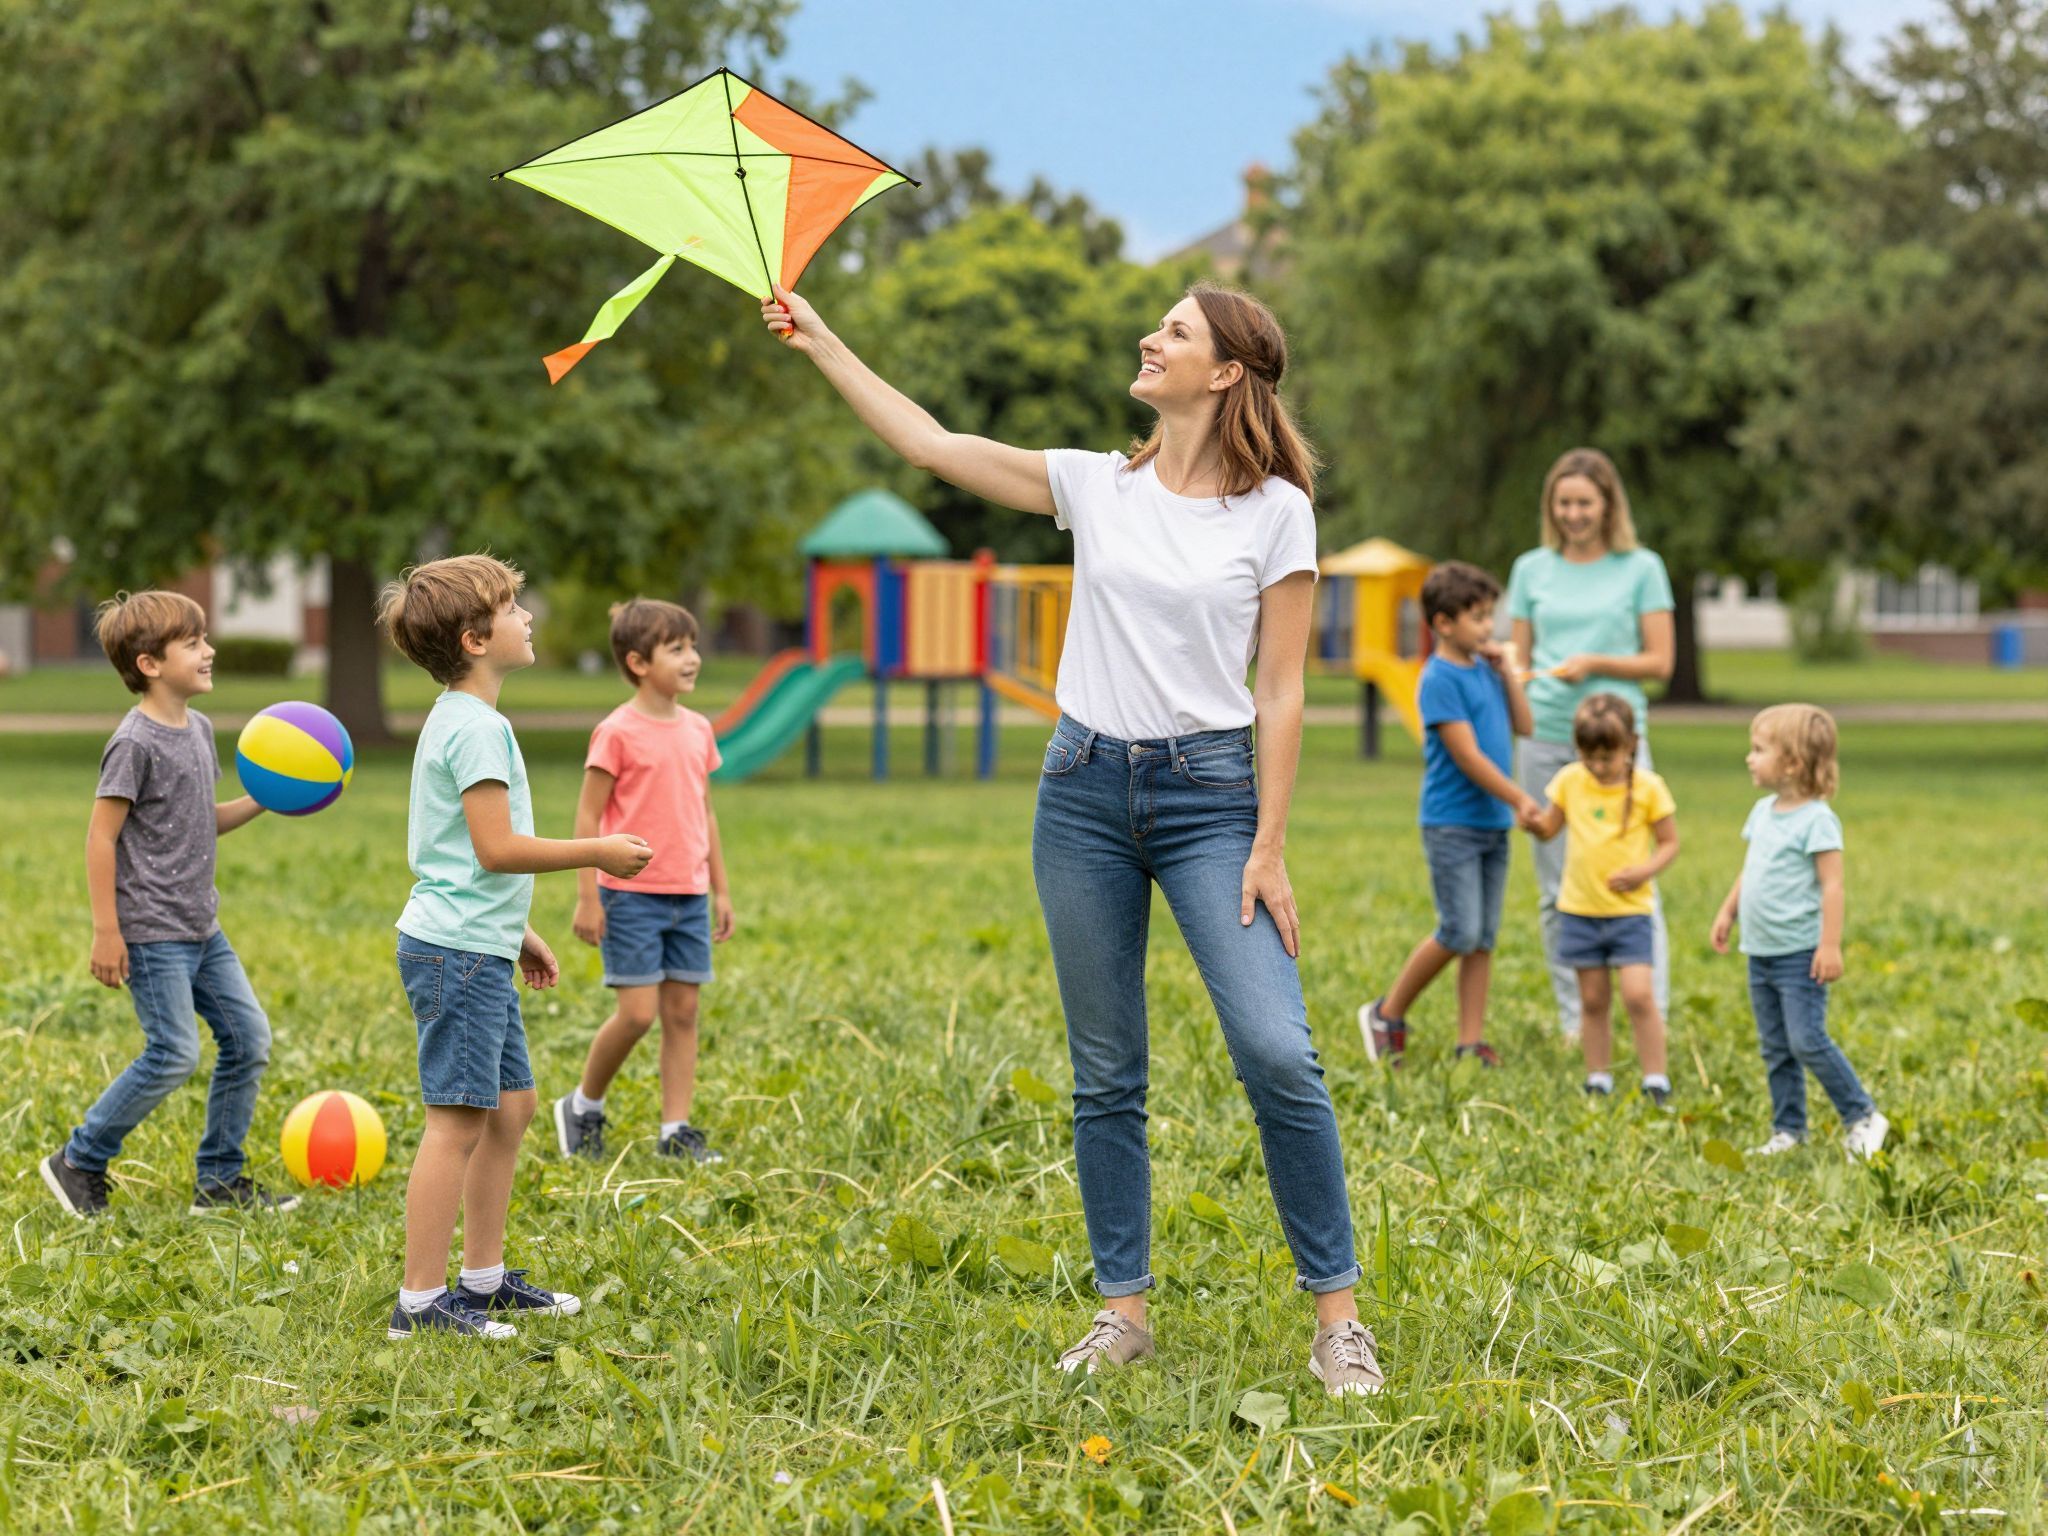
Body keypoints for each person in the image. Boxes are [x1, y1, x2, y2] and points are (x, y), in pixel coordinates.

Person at [761, 279, 1384, 1396]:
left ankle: (1336, 1320)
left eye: (1175, 332)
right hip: (1082, 792)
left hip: (1210, 799)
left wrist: (1269, 842)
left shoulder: (1276, 512)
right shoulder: (1095, 484)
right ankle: (1122, 1312)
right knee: (1106, 1071)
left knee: (1277, 1052)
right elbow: (932, 443)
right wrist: (823, 342)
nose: (1149, 340)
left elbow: (1280, 691)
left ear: (1225, 372)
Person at [378, 554, 653, 1339]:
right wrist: (596, 851)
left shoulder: (462, 719)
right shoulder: (477, 729)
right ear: (473, 638)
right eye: (512, 607)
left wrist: (518, 930)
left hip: (476, 942)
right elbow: (496, 848)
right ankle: (421, 1305)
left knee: (513, 1107)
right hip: (455, 952)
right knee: (456, 1122)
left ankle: (484, 1280)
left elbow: (457, 854)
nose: (527, 617)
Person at [41, 591, 295, 1218]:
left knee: (249, 1039)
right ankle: (79, 1158)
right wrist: (108, 930)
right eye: (194, 643)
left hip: (201, 927)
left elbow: (198, 819)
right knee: (174, 1052)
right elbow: (101, 836)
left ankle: (219, 1179)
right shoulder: (134, 743)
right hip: (152, 932)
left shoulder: (200, 729)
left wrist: (264, 796)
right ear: (150, 663)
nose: (209, 651)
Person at [555, 598, 734, 1166]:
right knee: (637, 1014)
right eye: (676, 649)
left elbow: (705, 813)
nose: (692, 659)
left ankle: (675, 1130)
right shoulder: (616, 732)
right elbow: (588, 819)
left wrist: (721, 889)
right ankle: (583, 1104)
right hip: (630, 897)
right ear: (637, 662)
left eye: (693, 646)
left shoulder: (699, 730)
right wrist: (588, 896)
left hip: (690, 893)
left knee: (683, 1012)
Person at [1508, 449, 1675, 1042]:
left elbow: (1660, 661)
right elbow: (1519, 663)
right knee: (1558, 888)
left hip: (1621, 745)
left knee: (1634, 878)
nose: (1574, 514)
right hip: (1548, 739)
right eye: (1564, 503)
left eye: (1584, 502)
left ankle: (1649, 1011)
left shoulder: (1641, 568)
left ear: (1607, 505)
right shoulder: (1531, 570)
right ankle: (1578, 1020)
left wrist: (1596, 664)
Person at [1359, 561, 1537, 1068]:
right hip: (1453, 824)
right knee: (1459, 930)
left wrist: (1509, 675)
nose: (1489, 628)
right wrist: (1521, 799)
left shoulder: (1487, 669)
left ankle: (1469, 1042)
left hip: (1491, 825)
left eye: (1490, 617)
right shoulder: (1437, 679)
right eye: (1479, 618)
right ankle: (1387, 1013)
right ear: (1443, 624)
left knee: (1482, 937)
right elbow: (1469, 757)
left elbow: (1524, 724)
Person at [1711, 705, 1887, 1159]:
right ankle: (1789, 1130)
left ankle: (1863, 1115)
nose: (1749, 758)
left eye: (1758, 750)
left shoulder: (1817, 819)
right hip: (1760, 950)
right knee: (1775, 1046)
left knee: (1806, 1039)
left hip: (1799, 953)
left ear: (1791, 762)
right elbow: (1751, 870)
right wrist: (1728, 912)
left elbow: (1833, 885)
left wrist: (1829, 945)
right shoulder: (1762, 812)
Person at [1526, 694, 1679, 1105]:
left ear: (1631, 745)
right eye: (1588, 756)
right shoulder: (1570, 781)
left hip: (1629, 912)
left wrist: (1644, 871)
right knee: (1592, 1000)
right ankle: (1598, 1077)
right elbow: (1549, 830)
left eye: (1606, 758)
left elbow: (1669, 843)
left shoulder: (1649, 788)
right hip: (1580, 910)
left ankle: (1656, 1078)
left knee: (1638, 995)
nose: (1597, 766)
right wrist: (1533, 823)